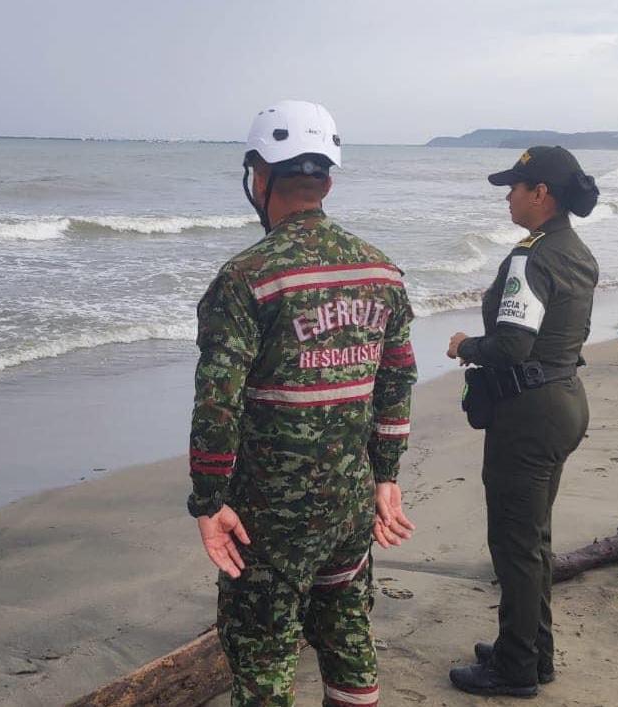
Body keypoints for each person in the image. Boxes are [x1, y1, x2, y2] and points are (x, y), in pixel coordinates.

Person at [188, 100, 419, 707]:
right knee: (347, 633)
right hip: (350, 502)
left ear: (259, 177)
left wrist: (208, 501)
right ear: (327, 183)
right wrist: (385, 476)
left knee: (264, 658)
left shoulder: (246, 277)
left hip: (267, 518)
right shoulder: (382, 273)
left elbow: (217, 404)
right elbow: (397, 382)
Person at [445, 146, 600, 698]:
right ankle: (533, 652)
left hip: (529, 413)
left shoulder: (531, 258)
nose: (507, 197)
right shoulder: (575, 251)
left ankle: (515, 667)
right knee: (533, 537)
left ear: (541, 193)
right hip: (563, 399)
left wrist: (466, 345)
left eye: (514, 187)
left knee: (514, 542)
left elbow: (511, 346)